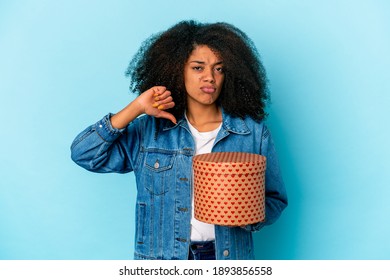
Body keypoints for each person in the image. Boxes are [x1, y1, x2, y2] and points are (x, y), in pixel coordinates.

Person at [70, 20, 287, 260]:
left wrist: (246, 215)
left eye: (219, 68)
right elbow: (84, 154)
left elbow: (275, 199)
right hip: (162, 259)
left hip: (227, 257)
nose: (210, 78)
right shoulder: (148, 132)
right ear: (177, 70)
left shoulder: (252, 133)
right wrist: (136, 108)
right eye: (198, 68)